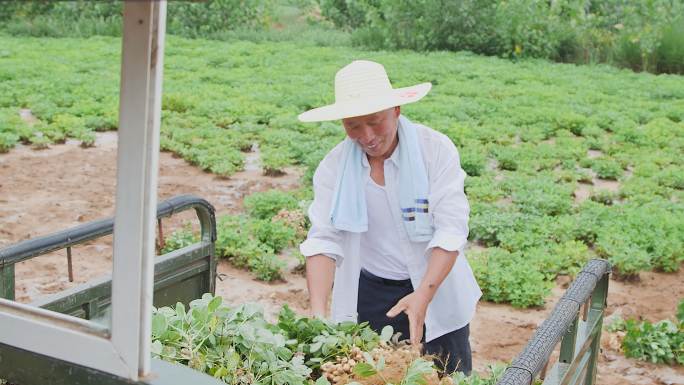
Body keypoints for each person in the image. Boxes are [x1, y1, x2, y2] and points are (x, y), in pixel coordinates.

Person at [298, 60, 481, 374]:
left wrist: (423, 294)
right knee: (374, 375)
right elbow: (323, 240)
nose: (367, 136)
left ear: (396, 109)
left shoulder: (434, 150)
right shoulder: (334, 167)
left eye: (375, 121)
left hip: (435, 284)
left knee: (447, 374)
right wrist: (317, 312)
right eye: (353, 125)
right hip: (372, 294)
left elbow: (450, 229)